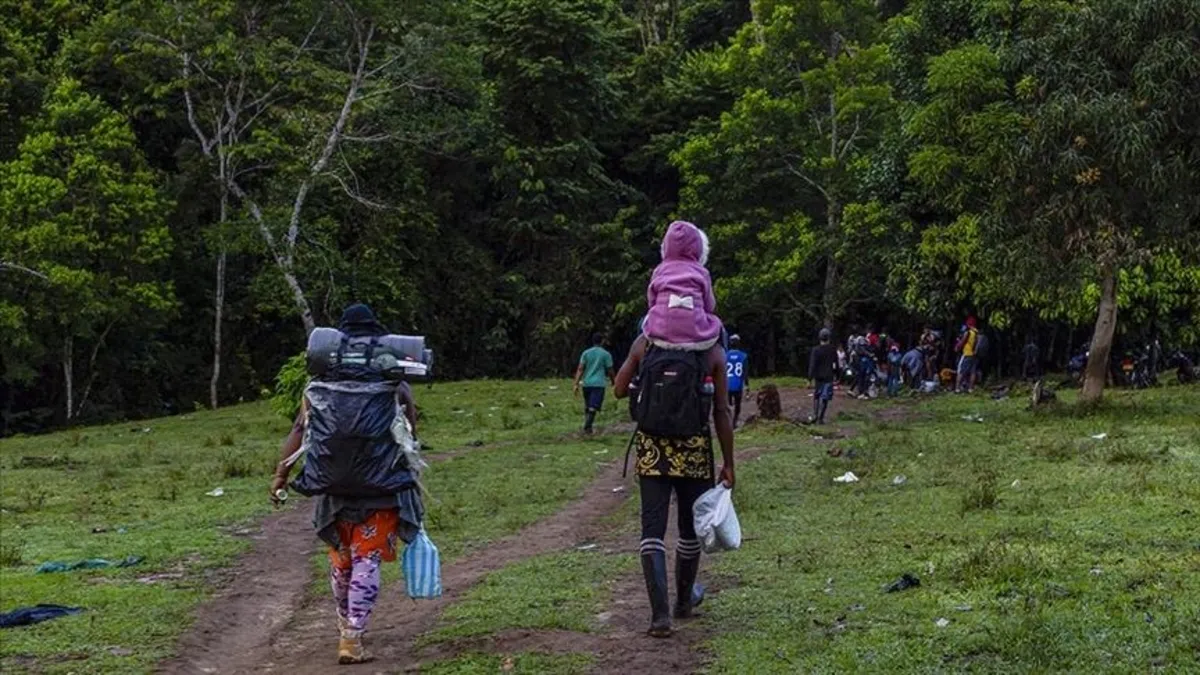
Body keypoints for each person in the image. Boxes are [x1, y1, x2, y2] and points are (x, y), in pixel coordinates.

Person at [269, 304, 424, 665]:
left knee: (341, 561)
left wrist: (280, 476)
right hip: (381, 490)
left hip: (333, 488)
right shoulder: (394, 384)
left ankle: (344, 623)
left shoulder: (318, 386)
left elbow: (299, 430)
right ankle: (352, 637)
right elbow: (411, 436)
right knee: (367, 559)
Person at [613, 335, 735, 639]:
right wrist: (729, 462)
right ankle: (683, 602)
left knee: (652, 529)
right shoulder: (712, 351)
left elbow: (618, 389)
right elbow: (721, 410)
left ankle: (660, 617)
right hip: (694, 450)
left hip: (652, 451)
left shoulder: (645, 343)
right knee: (689, 529)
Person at [642, 220, 723, 351]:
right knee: (720, 328)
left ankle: (644, 353)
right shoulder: (702, 272)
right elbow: (710, 306)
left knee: (643, 323)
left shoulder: (659, 270)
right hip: (696, 336)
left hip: (660, 334)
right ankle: (723, 359)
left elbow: (652, 300)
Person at [573, 333, 614, 434]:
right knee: (593, 407)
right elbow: (610, 370)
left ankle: (588, 428)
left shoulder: (586, 353)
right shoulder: (606, 354)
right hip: (598, 384)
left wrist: (576, 383)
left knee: (588, 406)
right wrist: (614, 381)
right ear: (602, 341)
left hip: (587, 383)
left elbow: (580, 369)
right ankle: (587, 426)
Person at [808, 328, 837, 424]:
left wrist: (810, 378)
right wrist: (837, 375)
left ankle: (815, 415)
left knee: (817, 395)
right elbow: (835, 364)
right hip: (829, 376)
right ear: (829, 338)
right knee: (825, 397)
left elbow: (812, 365)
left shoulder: (815, 350)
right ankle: (821, 418)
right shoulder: (832, 349)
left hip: (818, 377)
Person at [725, 335, 749, 427]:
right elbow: (745, 372)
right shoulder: (743, 356)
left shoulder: (725, 355)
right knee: (737, 405)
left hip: (727, 384)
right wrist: (746, 385)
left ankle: (728, 422)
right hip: (738, 384)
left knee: (728, 404)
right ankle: (734, 423)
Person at [955, 316, 980, 393]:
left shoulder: (968, 332)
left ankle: (957, 389)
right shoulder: (976, 332)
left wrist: (957, 347)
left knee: (961, 371)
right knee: (973, 372)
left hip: (967, 354)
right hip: (974, 355)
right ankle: (970, 389)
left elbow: (962, 342)